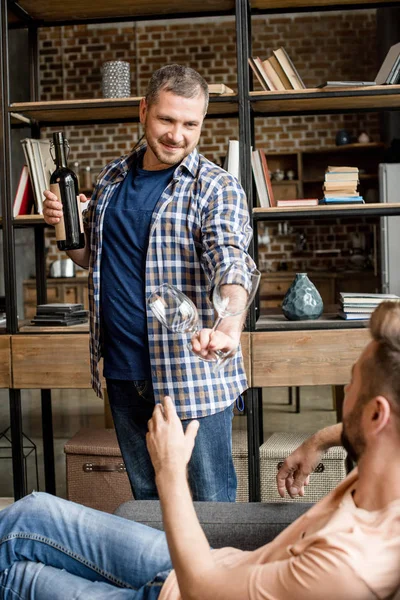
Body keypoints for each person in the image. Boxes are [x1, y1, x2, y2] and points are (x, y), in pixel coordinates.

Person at [1, 301, 400, 600]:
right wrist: (322, 439)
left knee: (14, 577)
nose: (345, 391)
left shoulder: (347, 566)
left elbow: (201, 590)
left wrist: (170, 469)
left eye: (352, 383)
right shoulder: (385, 466)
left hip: (192, 588)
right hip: (207, 565)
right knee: (32, 511)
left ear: (376, 416)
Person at [42, 64, 255, 502]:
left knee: (210, 503)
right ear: (144, 110)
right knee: (148, 503)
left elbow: (231, 258)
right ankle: (161, 575)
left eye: (190, 124)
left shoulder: (215, 188)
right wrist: (67, 229)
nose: (178, 134)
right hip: (123, 373)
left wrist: (229, 325)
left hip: (190, 377)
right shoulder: (111, 180)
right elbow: (91, 260)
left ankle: (215, 574)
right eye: (167, 119)